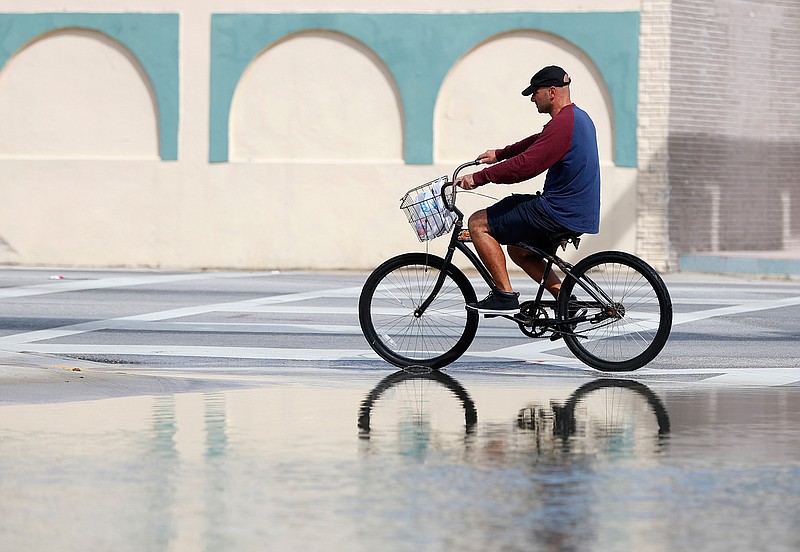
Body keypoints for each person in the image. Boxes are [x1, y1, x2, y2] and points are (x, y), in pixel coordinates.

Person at [455, 65, 601, 315]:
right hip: (574, 211)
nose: (533, 98)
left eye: (535, 92)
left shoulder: (564, 124)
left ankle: (504, 295)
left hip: (558, 211)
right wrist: (499, 154)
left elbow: (526, 166)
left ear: (552, 92)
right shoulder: (576, 118)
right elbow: (537, 141)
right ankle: (566, 298)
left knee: (478, 223)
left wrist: (479, 178)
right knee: (519, 249)